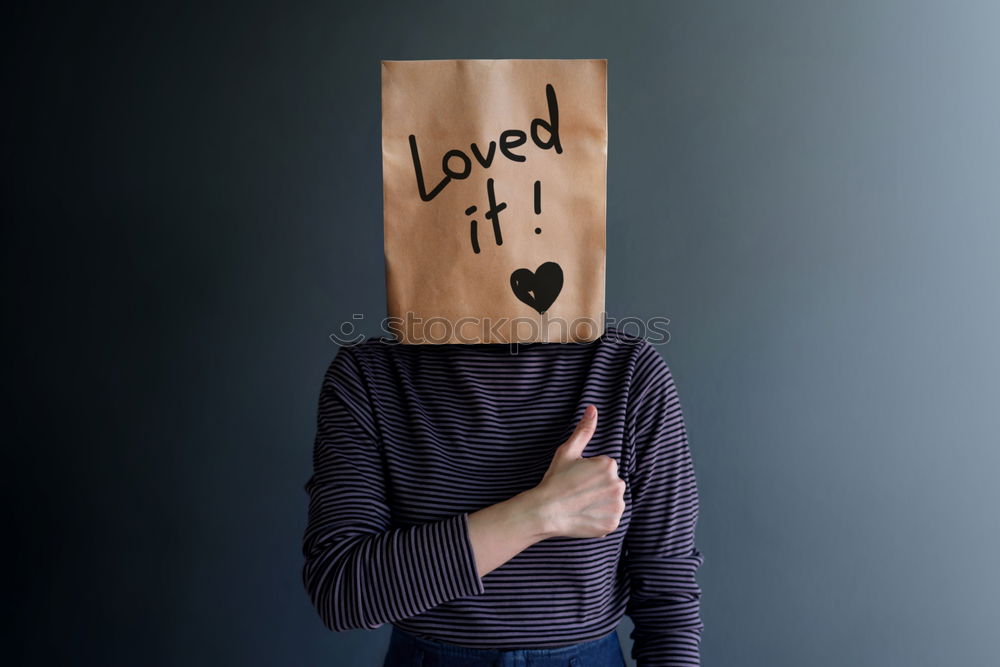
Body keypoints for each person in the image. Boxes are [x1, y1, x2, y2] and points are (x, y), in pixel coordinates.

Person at [301, 326, 705, 666]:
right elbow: (340, 589)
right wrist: (539, 514)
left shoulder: (628, 370)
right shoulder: (369, 373)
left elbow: (668, 598)